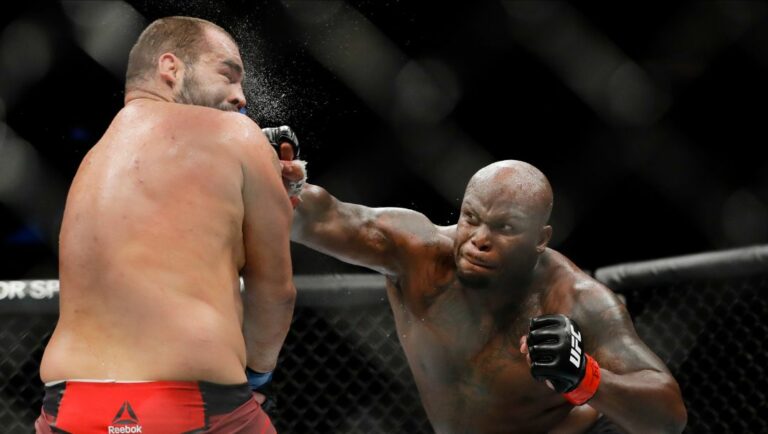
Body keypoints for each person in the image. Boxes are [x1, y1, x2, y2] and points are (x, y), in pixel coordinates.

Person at [279, 140, 687, 433]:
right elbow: (327, 217)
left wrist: (585, 377)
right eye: (471, 218)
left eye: (505, 228)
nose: (479, 238)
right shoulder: (417, 252)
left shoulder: (575, 299)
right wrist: (283, 185)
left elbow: (670, 415)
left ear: (540, 239)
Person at [36, 16, 296, 433]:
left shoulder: (94, 161)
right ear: (171, 68)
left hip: (69, 406)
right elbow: (275, 292)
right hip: (192, 403)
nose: (241, 98)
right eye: (227, 75)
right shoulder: (236, 135)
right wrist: (256, 377)